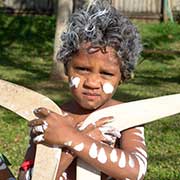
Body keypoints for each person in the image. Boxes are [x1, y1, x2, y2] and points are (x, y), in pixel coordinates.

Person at [18, 0, 147, 180]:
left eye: (106, 73)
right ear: (66, 68)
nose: (92, 82)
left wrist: (71, 138)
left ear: (122, 77)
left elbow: (135, 171)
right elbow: (27, 177)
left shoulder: (128, 116)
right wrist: (73, 145)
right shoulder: (53, 118)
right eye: (82, 69)